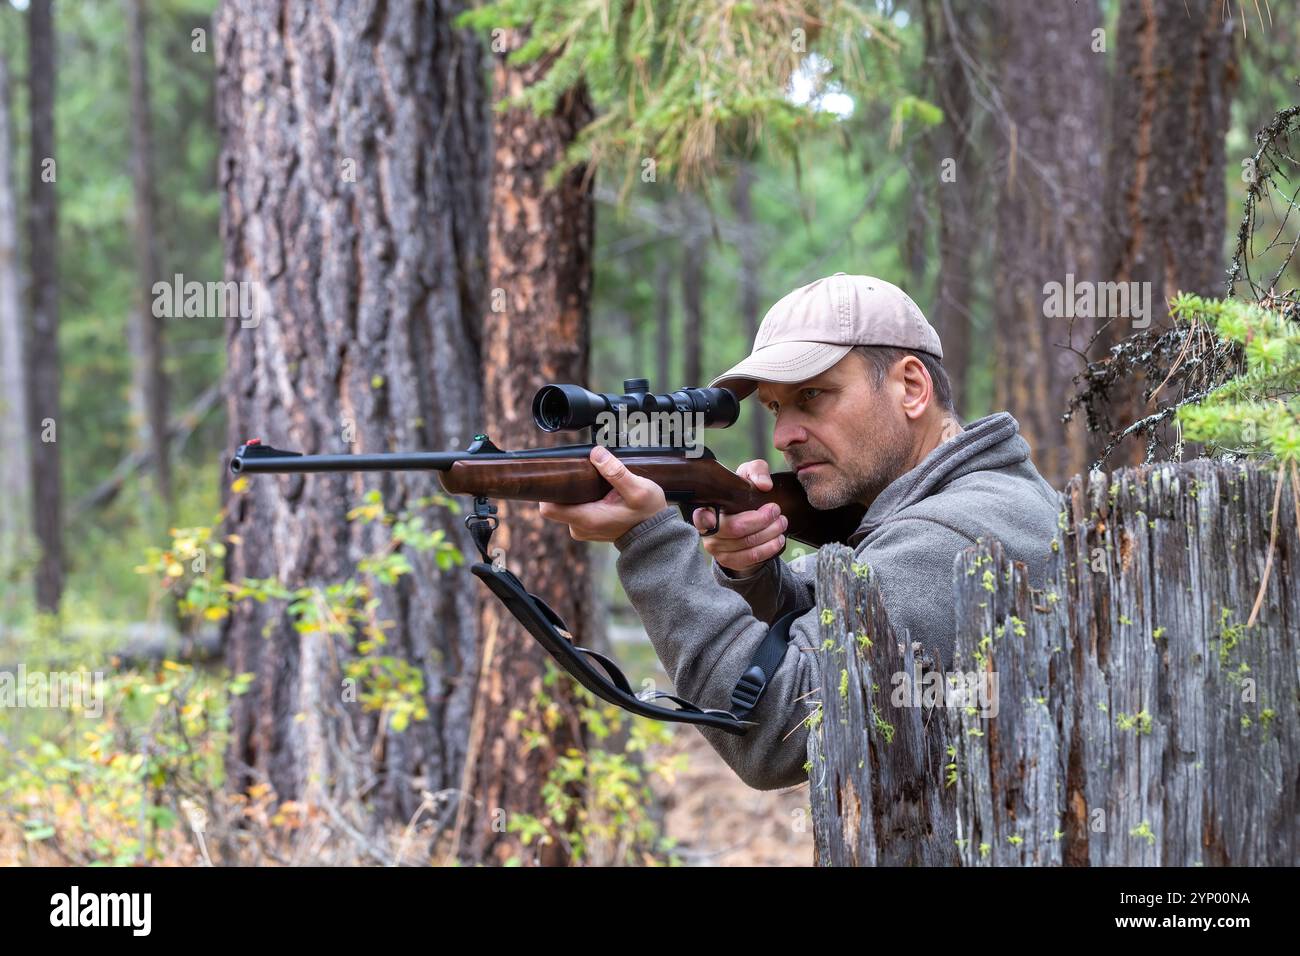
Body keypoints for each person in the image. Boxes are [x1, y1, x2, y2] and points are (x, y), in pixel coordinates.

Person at [538, 273, 1061, 790]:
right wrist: (751, 571)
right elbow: (832, 614)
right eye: (774, 406)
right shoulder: (968, 502)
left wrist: (649, 540)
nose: (784, 435)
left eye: (812, 395)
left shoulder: (955, 534)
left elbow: (769, 733)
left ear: (911, 387)